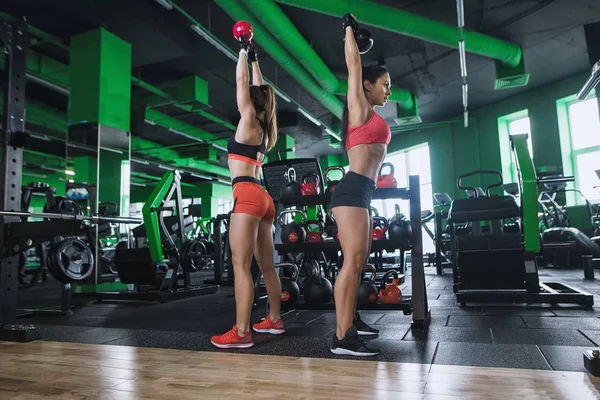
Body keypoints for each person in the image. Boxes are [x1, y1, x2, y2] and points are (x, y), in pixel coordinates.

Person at [210, 39, 284, 349]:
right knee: (266, 265)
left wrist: (240, 49)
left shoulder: (248, 120)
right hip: (264, 198)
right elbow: (258, 87)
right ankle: (275, 320)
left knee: (240, 265)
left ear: (251, 103)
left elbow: (242, 83)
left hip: (248, 195)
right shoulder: (265, 130)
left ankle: (241, 333)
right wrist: (254, 57)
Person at [329, 13, 392, 356]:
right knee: (351, 262)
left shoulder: (370, 114)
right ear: (367, 86)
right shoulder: (359, 108)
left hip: (362, 194)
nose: (388, 90)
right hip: (352, 191)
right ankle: (342, 337)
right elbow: (354, 63)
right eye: (384, 84)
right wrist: (349, 30)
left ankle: (351, 319)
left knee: (359, 262)